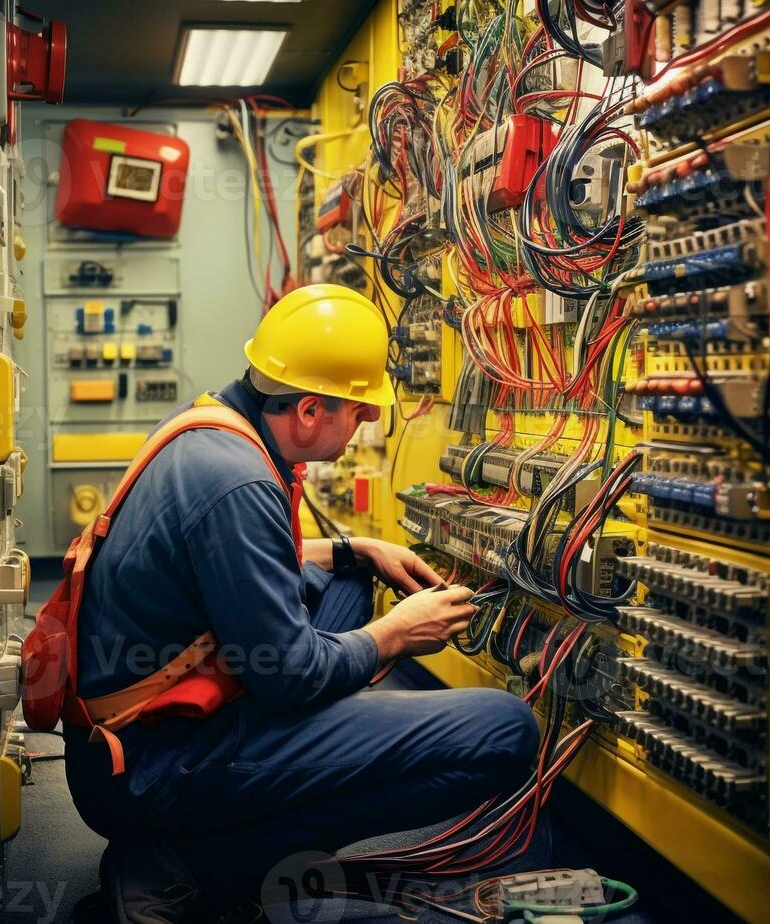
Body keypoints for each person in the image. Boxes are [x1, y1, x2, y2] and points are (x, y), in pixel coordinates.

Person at [63, 284, 540, 922]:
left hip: (131, 733)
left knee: (346, 582)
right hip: (148, 769)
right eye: (360, 413)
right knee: (504, 732)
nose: (366, 425)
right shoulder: (239, 481)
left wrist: (357, 548)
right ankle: (183, 870)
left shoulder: (212, 430)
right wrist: (396, 634)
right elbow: (289, 678)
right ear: (311, 412)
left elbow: (232, 560)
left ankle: (292, 769)